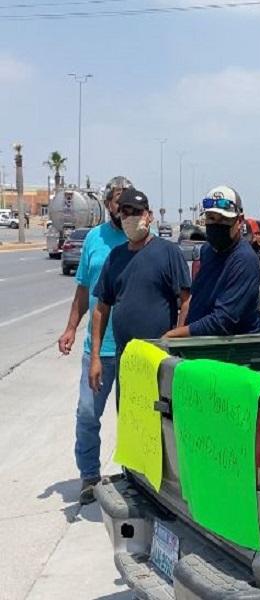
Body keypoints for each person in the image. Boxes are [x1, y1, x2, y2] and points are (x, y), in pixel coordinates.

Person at [57, 176, 132, 505]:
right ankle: (89, 475)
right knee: (88, 414)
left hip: (136, 349)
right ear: (107, 204)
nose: (122, 206)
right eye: (117, 200)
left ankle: (136, 476)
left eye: (127, 200)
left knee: (136, 417)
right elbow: (83, 289)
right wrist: (71, 328)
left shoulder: (146, 237)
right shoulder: (93, 240)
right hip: (99, 349)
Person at [89, 188, 191, 392]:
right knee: (128, 419)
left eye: (136, 212)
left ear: (149, 215)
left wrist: (176, 341)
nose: (130, 218)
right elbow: (101, 309)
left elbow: (186, 300)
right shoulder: (115, 257)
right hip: (125, 358)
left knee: (159, 420)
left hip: (159, 358)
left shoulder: (169, 252)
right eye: (125, 213)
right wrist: (95, 358)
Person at [164, 185, 260, 338]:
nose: (217, 225)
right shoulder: (207, 251)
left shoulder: (244, 260)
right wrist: (179, 335)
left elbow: (222, 321)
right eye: (211, 218)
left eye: (224, 220)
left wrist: (173, 335)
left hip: (229, 353)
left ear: (239, 221)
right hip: (198, 347)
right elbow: (194, 298)